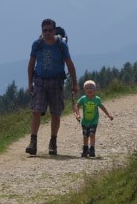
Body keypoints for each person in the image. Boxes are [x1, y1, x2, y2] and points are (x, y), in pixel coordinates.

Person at [26, 18, 78, 156]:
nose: (47, 33)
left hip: (56, 81)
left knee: (55, 113)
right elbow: (31, 64)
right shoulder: (37, 45)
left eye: (50, 30)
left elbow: (69, 64)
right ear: (41, 31)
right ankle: (33, 141)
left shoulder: (61, 45)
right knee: (36, 110)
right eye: (44, 31)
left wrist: (75, 83)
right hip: (40, 81)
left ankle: (53, 142)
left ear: (54, 31)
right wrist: (30, 83)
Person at [74, 79, 114, 158]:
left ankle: (92, 149)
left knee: (92, 134)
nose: (89, 89)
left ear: (95, 89)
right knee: (85, 136)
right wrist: (77, 114)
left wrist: (108, 115)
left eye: (91, 88)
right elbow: (76, 106)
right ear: (84, 90)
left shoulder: (97, 99)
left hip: (93, 121)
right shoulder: (83, 99)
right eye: (87, 88)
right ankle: (85, 149)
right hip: (85, 121)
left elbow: (102, 107)